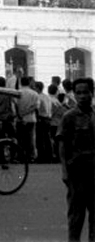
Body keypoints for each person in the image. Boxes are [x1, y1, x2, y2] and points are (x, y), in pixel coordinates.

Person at [59, 77, 95, 242]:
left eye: (85, 92)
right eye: (78, 93)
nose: (82, 96)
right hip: (77, 173)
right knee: (76, 215)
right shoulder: (69, 117)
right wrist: (64, 171)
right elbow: (62, 145)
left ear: (92, 93)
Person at [16, 76, 39, 163]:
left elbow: (15, 105)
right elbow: (35, 107)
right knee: (30, 138)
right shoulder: (34, 94)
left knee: (20, 139)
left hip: (20, 119)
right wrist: (26, 112)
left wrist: (20, 114)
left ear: (21, 83)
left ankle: (21, 156)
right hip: (31, 118)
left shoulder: (17, 93)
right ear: (29, 83)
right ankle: (31, 156)